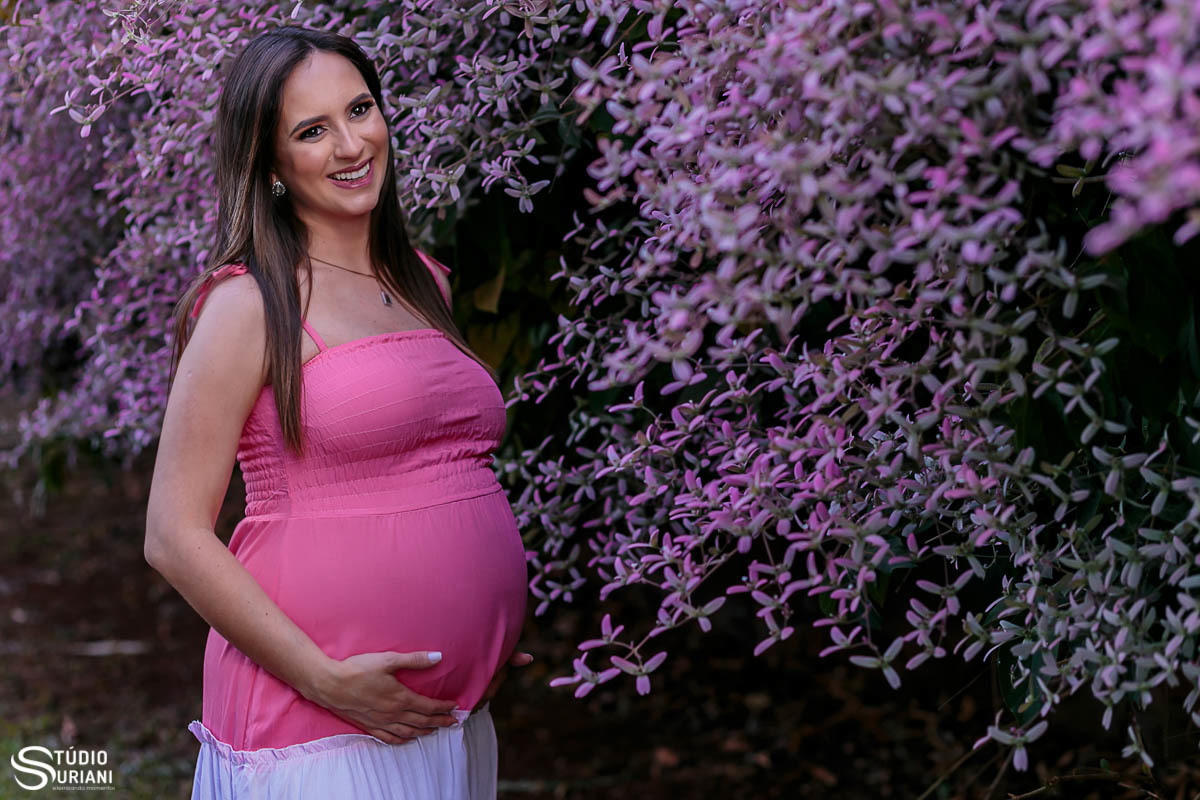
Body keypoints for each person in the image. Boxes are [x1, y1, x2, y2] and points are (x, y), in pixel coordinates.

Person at [143, 25, 532, 799]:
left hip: (445, 715)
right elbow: (173, 535)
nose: (352, 144)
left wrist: (480, 633)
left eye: (360, 110)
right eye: (312, 131)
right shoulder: (249, 303)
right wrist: (324, 678)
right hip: (317, 723)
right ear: (274, 164)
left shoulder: (424, 280)